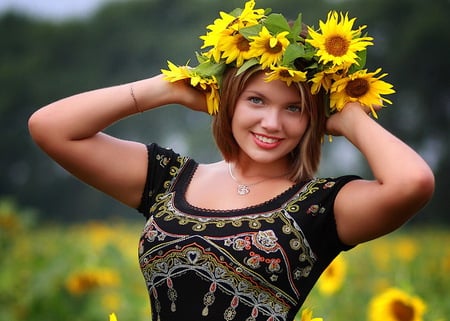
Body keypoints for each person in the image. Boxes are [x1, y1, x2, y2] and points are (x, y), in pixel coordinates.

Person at [28, 1, 434, 321]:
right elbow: (50, 127)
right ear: (228, 102)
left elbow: (412, 183)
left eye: (294, 108)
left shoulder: (320, 208)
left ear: (314, 117)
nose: (271, 123)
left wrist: (351, 118)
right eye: (255, 100)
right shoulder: (169, 181)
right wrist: (164, 88)